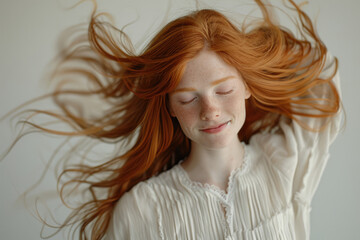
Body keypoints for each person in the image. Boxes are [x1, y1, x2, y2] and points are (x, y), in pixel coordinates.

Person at [3, 0, 342, 239]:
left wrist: (253, 52)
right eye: (188, 98)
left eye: (223, 90)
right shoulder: (141, 209)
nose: (210, 110)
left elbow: (324, 71)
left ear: (248, 86)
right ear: (169, 107)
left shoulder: (284, 160)